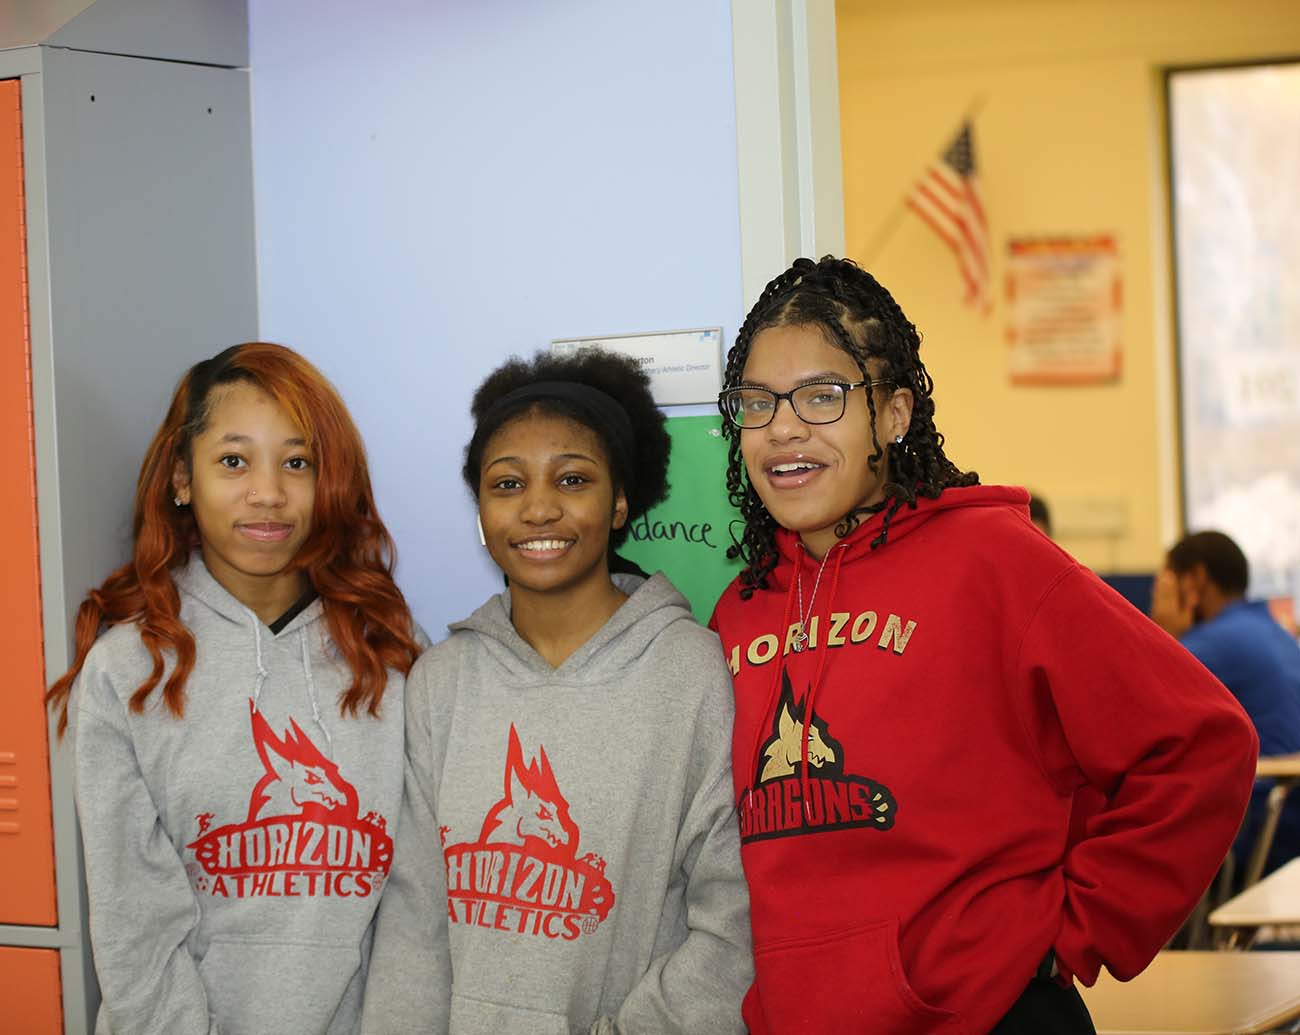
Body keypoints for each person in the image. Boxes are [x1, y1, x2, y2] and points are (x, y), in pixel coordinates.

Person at [707, 256, 1258, 1035]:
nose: (784, 426)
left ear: (893, 414)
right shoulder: (738, 611)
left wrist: (1077, 928)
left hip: (990, 1016)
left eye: (822, 395)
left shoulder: (994, 561)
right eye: (757, 402)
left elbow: (1201, 742)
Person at [362, 349, 752, 1033]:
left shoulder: (691, 671)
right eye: (507, 485)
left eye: (572, 479)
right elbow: (413, 922)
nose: (539, 508)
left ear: (621, 498)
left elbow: (730, 922)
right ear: (481, 511)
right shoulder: (442, 682)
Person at [46, 342, 424, 1034]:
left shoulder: (393, 656)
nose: (268, 493)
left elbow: (415, 906)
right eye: (233, 460)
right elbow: (136, 928)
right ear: (181, 479)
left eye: (297, 462)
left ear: (329, 480)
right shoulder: (127, 671)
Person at [1152, 529, 1300, 876]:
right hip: (1286, 814)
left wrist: (1163, 639)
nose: (1154, 608)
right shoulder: (1271, 630)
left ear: (1194, 582)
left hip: (1261, 822)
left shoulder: (1210, 646)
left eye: (1161, 589)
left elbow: (1135, 720)